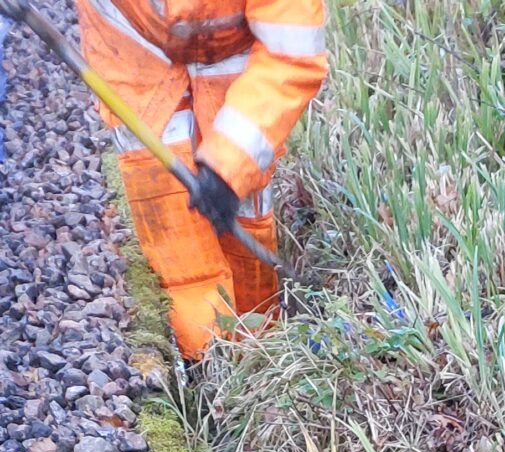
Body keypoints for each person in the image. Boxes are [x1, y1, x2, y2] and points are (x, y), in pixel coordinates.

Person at [77, 0, 327, 357]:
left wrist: (230, 165)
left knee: (245, 228)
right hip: (135, 59)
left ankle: (264, 350)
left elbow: (291, 56)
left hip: (240, 78)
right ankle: (211, 370)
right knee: (182, 254)